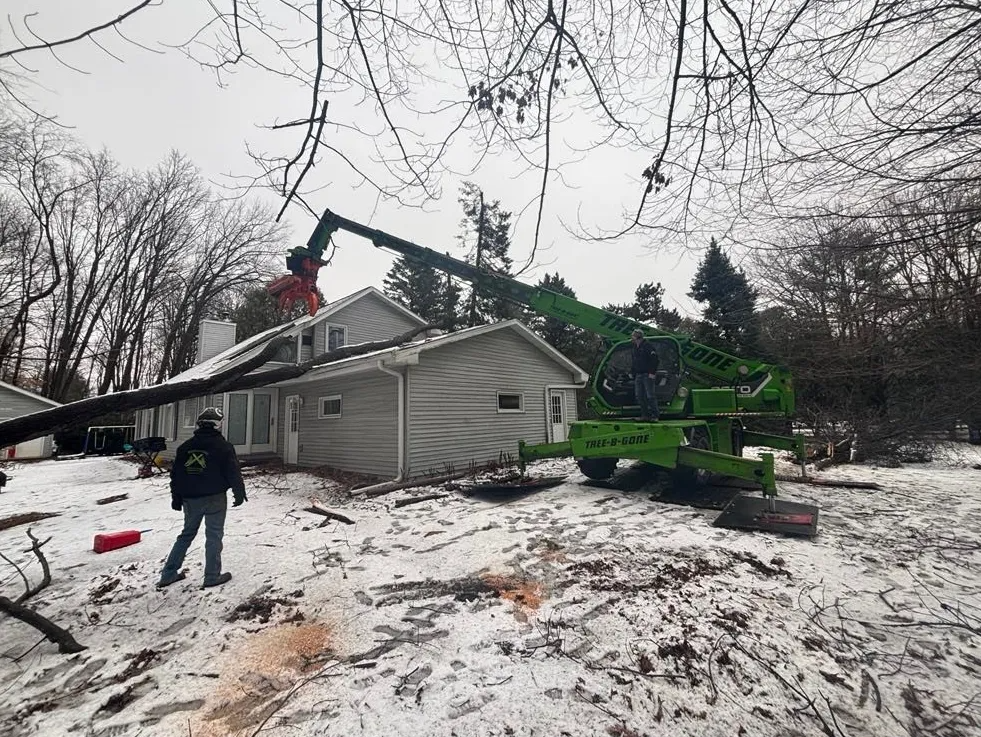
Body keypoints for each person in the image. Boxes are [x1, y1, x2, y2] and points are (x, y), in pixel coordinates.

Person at [158, 407, 247, 589]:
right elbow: (233, 472)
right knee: (214, 536)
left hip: (191, 499)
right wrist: (239, 492)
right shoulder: (223, 447)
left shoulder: (185, 447)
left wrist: (176, 497)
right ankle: (212, 576)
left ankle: (168, 574)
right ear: (218, 425)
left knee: (186, 535)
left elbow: (176, 475)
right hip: (215, 497)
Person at [630, 329, 660, 422]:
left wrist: (652, 372)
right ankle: (645, 415)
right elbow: (634, 361)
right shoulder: (635, 347)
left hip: (647, 374)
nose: (632, 338)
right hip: (638, 375)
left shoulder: (648, 346)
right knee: (639, 395)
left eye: (633, 336)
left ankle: (655, 415)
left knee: (650, 395)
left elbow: (655, 360)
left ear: (638, 337)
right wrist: (632, 372)